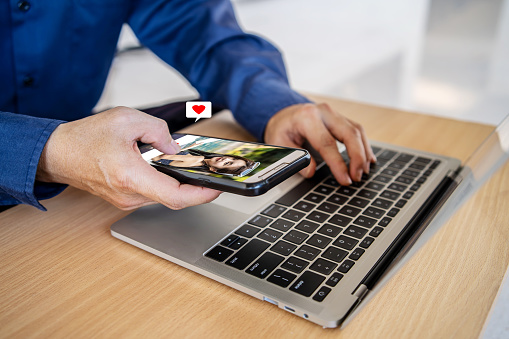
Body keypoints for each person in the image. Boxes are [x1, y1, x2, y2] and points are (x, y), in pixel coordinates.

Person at [0, 0, 376, 211]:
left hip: (78, 202)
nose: (225, 161)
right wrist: (49, 151)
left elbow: (202, 29)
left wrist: (274, 105)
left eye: (226, 162)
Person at [152, 149, 259, 177]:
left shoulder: (197, 160)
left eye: (227, 164)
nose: (226, 159)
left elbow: (163, 157)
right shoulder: (197, 163)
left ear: (214, 170)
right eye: (232, 159)